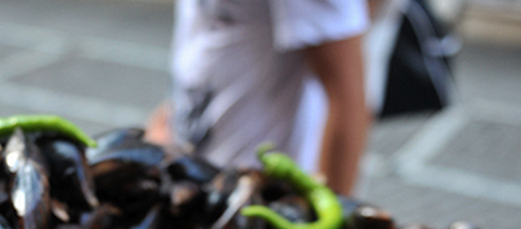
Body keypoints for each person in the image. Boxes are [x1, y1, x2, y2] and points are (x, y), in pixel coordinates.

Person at [149, 0, 371, 196]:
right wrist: (167, 120)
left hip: (259, 197)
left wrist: (330, 225)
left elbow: (348, 98)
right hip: (189, 176)